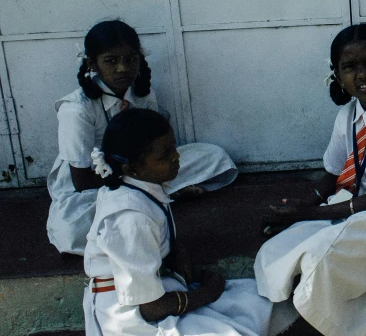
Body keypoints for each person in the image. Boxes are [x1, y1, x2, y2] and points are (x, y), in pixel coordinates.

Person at [254, 24, 366, 336]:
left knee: (323, 256)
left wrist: (306, 214)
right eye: (350, 67)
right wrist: (301, 205)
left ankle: (319, 329)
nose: (362, 75)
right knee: (277, 247)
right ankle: (286, 320)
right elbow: (332, 175)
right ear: (337, 75)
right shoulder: (347, 115)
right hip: (353, 199)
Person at [83, 108, 296, 336]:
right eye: (165, 155)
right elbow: (152, 309)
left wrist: (176, 249)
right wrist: (208, 292)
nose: (176, 157)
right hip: (133, 318)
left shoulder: (139, 186)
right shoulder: (129, 219)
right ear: (131, 168)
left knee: (264, 298)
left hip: (159, 293)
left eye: (173, 148)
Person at [47, 20, 237, 255]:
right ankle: (161, 194)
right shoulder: (76, 110)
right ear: (92, 63)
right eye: (111, 61)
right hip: (97, 184)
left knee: (215, 157)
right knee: (71, 230)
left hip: (144, 169)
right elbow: (81, 181)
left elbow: (156, 145)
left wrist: (148, 173)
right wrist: (138, 181)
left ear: (140, 59)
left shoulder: (142, 95)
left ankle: (154, 195)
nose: (122, 69)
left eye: (130, 59)